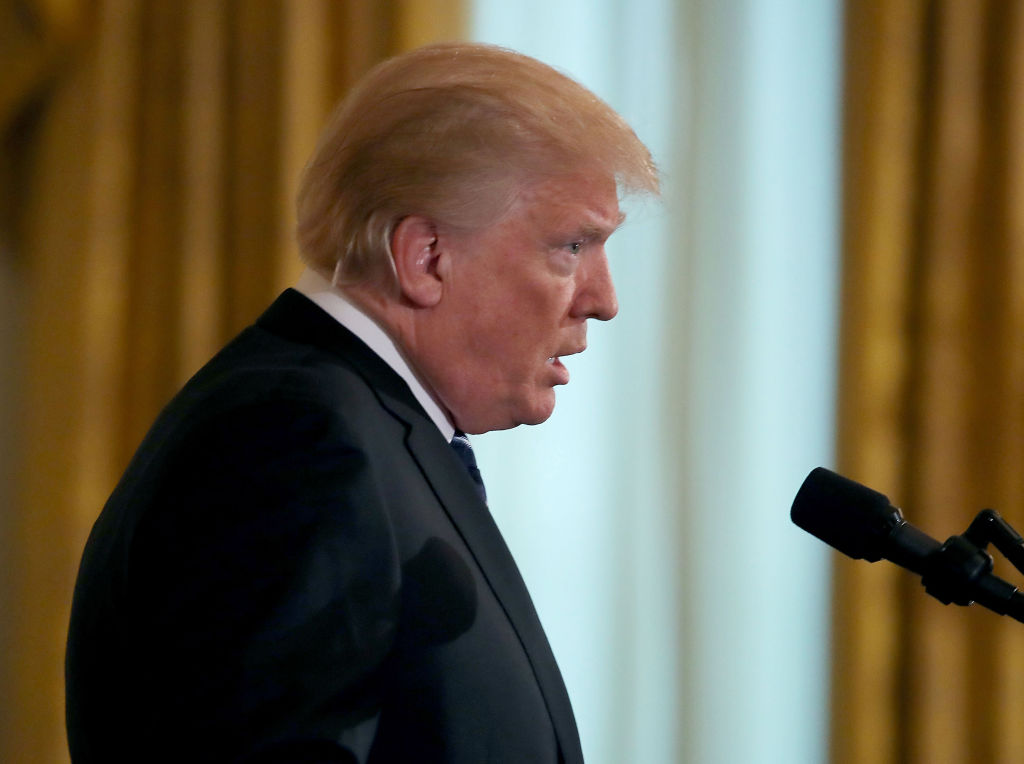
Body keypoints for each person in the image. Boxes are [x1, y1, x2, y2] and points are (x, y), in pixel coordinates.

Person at [65, 42, 658, 763]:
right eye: (571, 245)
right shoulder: (293, 443)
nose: (604, 301)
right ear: (426, 258)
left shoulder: (361, 427)